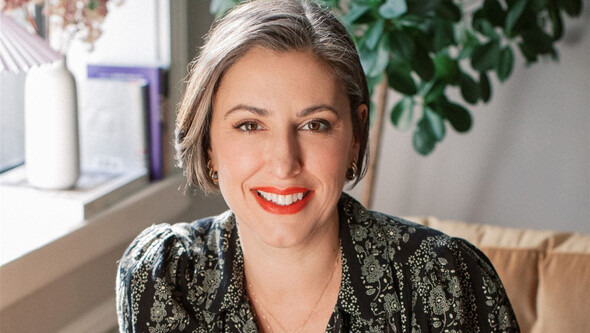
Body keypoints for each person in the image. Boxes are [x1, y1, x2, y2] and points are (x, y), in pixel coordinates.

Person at [116, 0, 520, 332]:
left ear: (355, 138)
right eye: (250, 125)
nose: (284, 163)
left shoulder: (446, 279)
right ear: (207, 144)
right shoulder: (164, 277)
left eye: (315, 125)